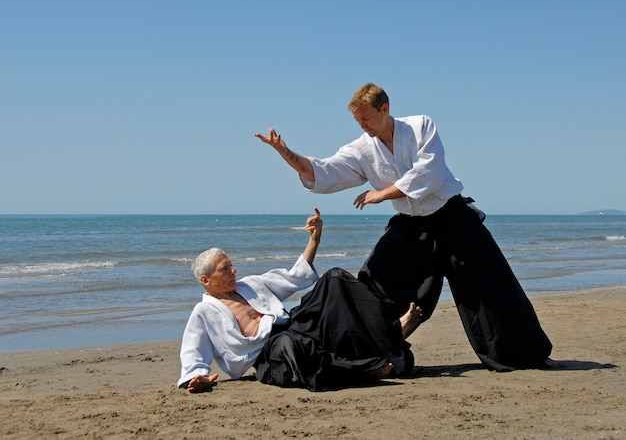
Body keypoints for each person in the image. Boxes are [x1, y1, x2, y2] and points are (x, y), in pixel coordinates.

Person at [254, 83, 553, 372]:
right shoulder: (362, 149)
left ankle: (525, 355)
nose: (363, 126)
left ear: (385, 109)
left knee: (490, 282)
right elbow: (323, 171)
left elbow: (429, 172)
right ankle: (373, 350)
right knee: (375, 280)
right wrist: (287, 153)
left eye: (367, 118)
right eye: (358, 121)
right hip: (411, 225)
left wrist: (381, 194)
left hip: (451, 214)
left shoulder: (420, 126)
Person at [178, 208, 421, 393]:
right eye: (225, 269)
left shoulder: (250, 284)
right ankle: (366, 370)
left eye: (231, 266)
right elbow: (193, 348)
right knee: (292, 346)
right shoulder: (203, 312)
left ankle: (390, 329)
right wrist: (196, 377)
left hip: (292, 325)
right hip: (268, 351)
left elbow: (295, 276)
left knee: (334, 279)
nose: (233, 271)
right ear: (206, 280)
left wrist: (314, 239)